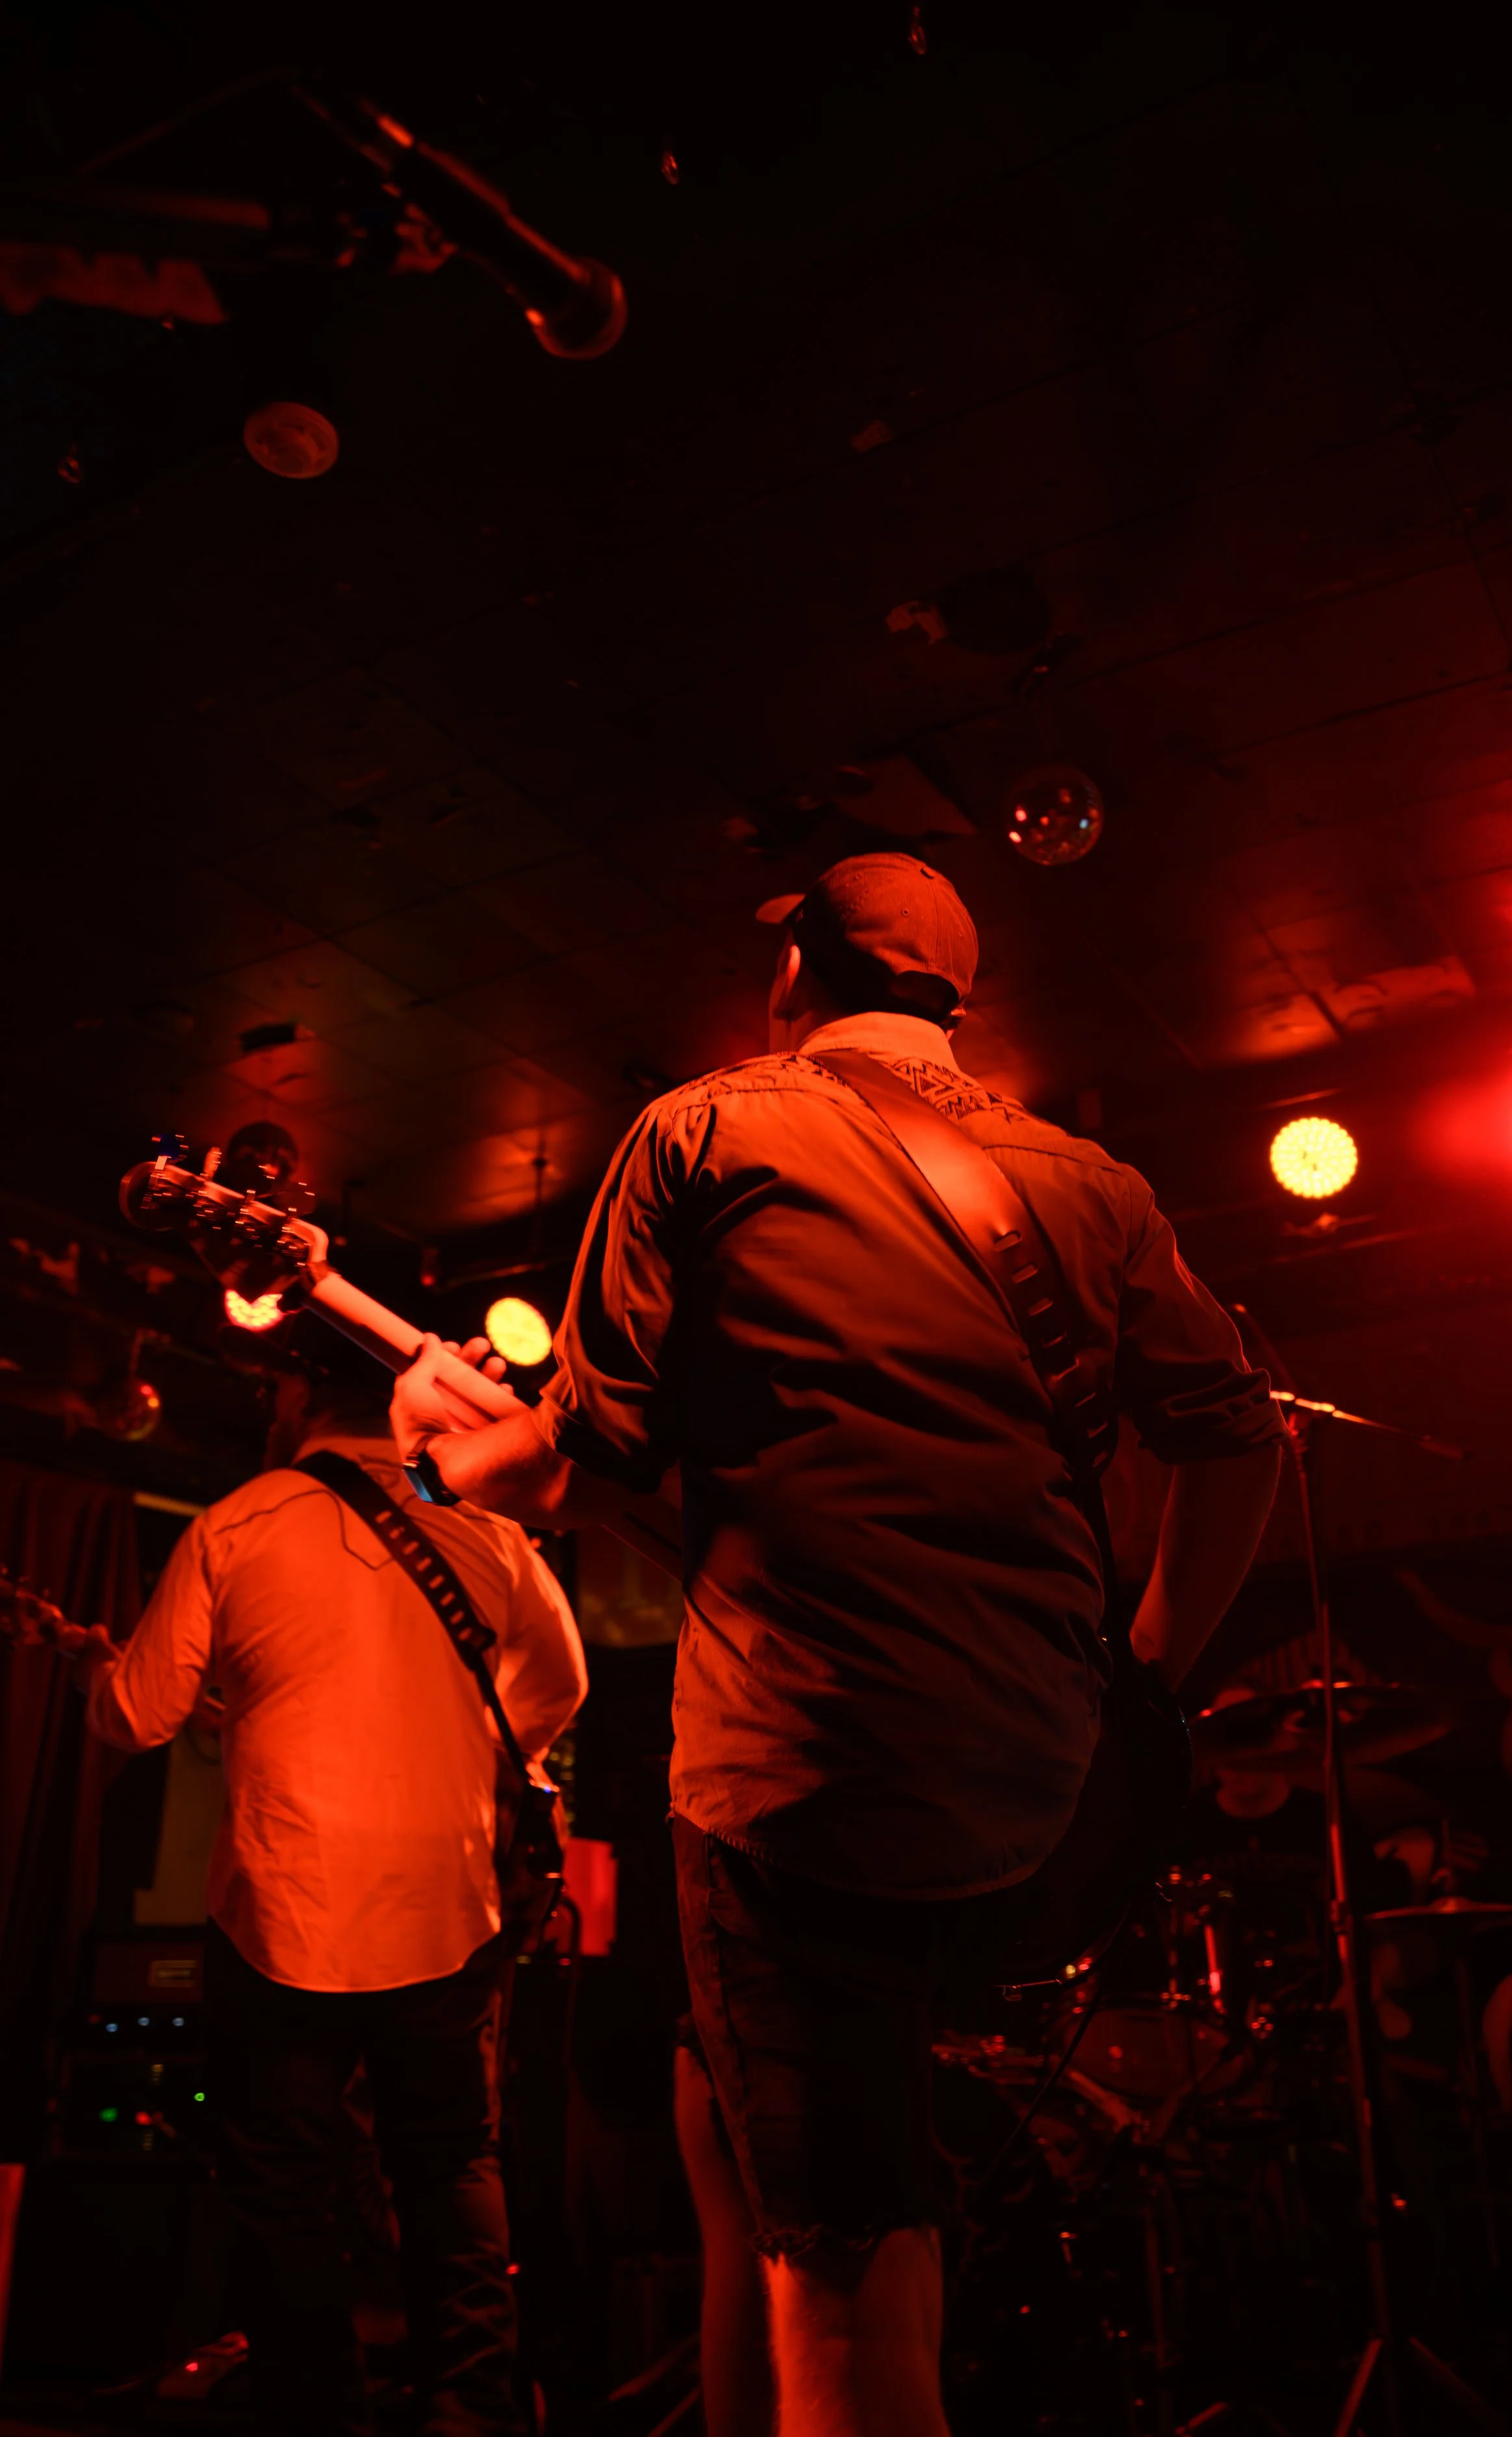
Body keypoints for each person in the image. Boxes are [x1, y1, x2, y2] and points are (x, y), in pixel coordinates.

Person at [390, 853, 1287, 2437]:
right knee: (776, 2153)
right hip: (1040, 1795)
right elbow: (1235, 1438)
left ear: (794, 973)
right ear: (955, 1001)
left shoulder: (701, 1130)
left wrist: (443, 1457)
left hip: (803, 1782)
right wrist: (1143, 1674)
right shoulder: (1095, 1186)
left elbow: (585, 1456)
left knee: (840, 2263)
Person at [79, 1332, 587, 2437]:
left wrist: (97, 1671)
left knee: (282, 2188)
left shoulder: (241, 1519)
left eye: (277, 1385)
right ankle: (469, 2418)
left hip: (284, 1911)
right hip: (445, 1905)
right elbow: (561, 1680)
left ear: (303, 1389)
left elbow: (139, 1715)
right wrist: (474, 1751)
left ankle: (318, 2415)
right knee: (449, 2169)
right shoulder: (486, 1531)